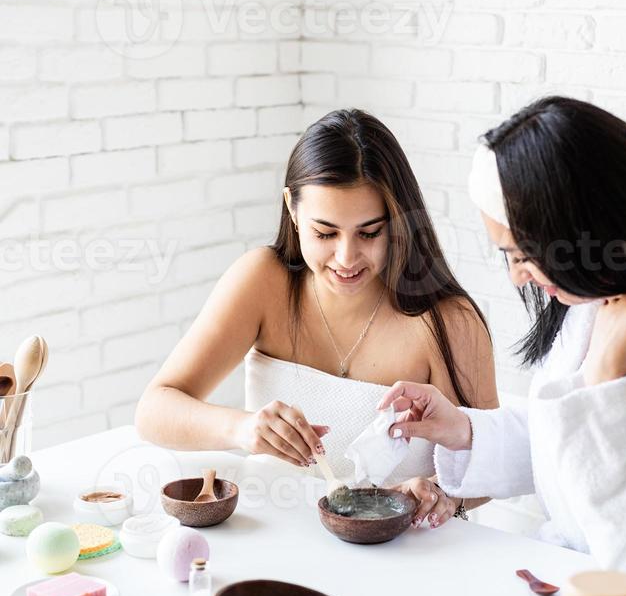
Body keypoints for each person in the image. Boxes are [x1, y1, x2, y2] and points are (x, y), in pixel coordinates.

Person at [378, 97, 626, 587]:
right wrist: (463, 432)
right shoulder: (592, 302)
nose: (518, 278)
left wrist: (607, 377)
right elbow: (566, 448)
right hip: (570, 585)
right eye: (507, 255)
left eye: (524, 255)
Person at [136, 109, 497, 527]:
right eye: (325, 233)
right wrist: (243, 429)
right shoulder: (263, 282)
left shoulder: (446, 321)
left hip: (406, 554)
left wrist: (440, 493)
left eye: (369, 232)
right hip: (275, 538)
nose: (346, 258)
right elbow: (153, 411)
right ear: (291, 208)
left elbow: (489, 464)